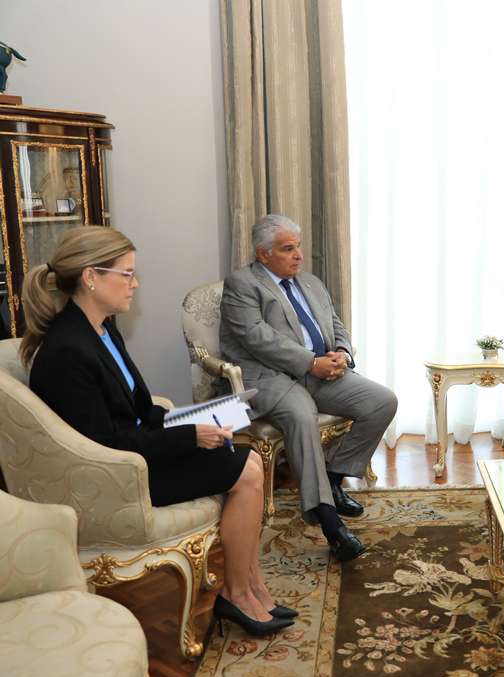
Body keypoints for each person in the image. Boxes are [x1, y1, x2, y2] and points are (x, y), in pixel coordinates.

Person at [23, 226, 293, 636]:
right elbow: (106, 444)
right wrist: (190, 436)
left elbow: (138, 410)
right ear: (91, 277)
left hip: (136, 454)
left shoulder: (102, 329)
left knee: (250, 458)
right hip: (118, 476)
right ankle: (238, 592)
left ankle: (249, 584)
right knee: (245, 469)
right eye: (127, 274)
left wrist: (190, 418)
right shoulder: (66, 351)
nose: (135, 284)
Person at [220, 214, 398, 563]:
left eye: (298, 247)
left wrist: (343, 353)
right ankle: (330, 523)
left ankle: (332, 476)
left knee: (382, 401)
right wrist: (310, 362)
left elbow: (335, 323)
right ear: (263, 253)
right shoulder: (242, 284)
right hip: (269, 378)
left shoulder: (311, 282)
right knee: (301, 415)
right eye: (288, 249)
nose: (298, 255)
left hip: (320, 373)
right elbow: (257, 338)